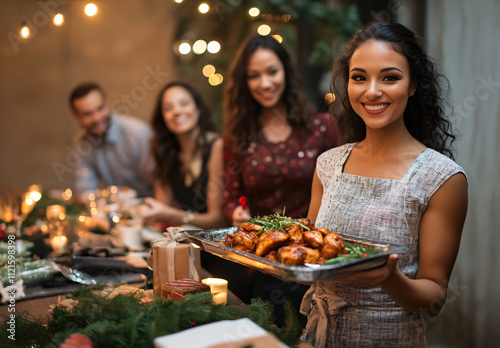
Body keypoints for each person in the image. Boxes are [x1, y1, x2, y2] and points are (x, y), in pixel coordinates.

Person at [300, 22, 468, 347]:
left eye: (389, 77)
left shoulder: (442, 178)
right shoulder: (328, 164)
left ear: (413, 85)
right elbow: (311, 250)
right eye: (359, 77)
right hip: (316, 336)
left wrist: (390, 279)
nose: (372, 91)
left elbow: (433, 298)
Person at [222, 35, 342, 326]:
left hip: (319, 261)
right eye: (254, 75)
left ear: (287, 72)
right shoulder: (238, 136)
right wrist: (236, 211)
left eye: (272, 71)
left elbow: (340, 189)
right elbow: (231, 195)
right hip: (266, 265)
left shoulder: (322, 127)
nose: (265, 83)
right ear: (244, 82)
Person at [141, 81, 225, 230]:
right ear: (163, 118)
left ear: (198, 108)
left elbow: (218, 220)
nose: (177, 111)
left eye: (184, 104)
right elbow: (161, 209)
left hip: (215, 244)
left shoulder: (217, 146)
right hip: (184, 242)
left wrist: (173, 215)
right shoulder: (166, 152)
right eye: (168, 108)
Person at [69, 82, 154, 199]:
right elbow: (86, 189)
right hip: (118, 211)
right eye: (87, 114)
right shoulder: (82, 143)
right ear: (75, 116)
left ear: (107, 103)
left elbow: (161, 183)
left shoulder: (138, 133)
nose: (97, 118)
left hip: (153, 207)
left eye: (100, 108)